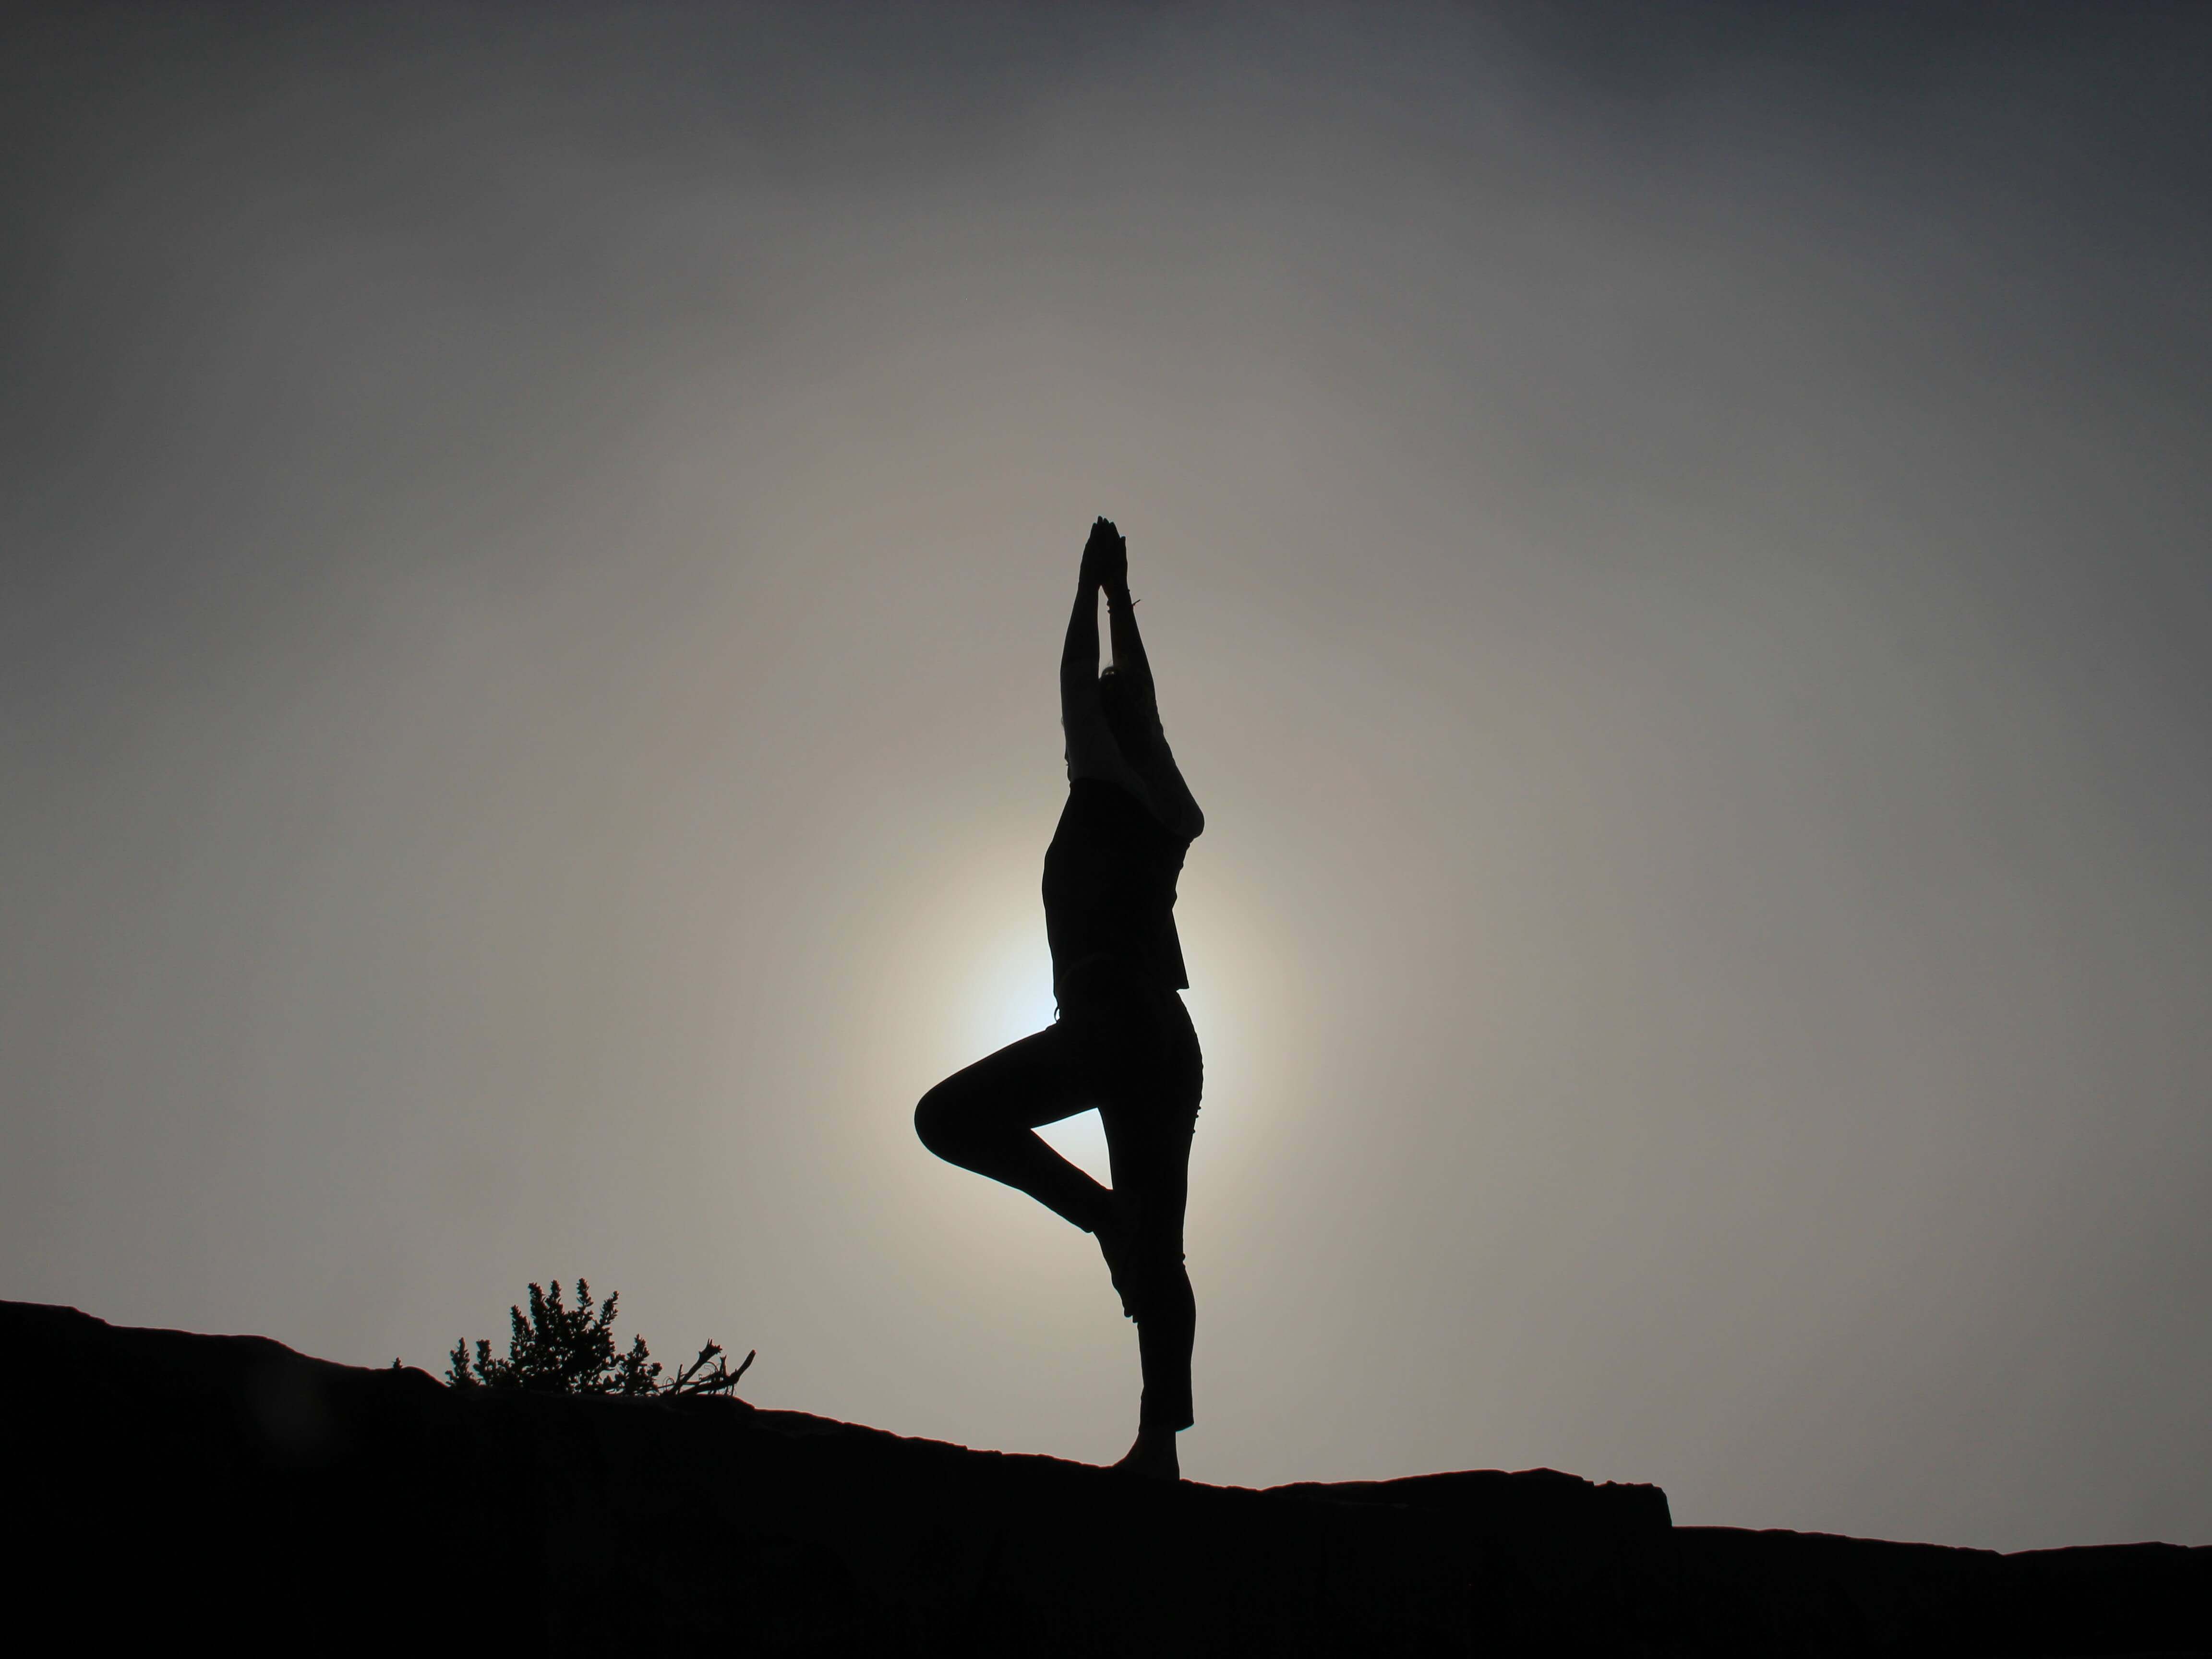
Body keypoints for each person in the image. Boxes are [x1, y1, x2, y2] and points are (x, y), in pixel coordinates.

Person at [914, 516, 1206, 1480]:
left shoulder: (1106, 781)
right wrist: (1124, 598)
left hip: (1112, 1014)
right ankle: (1160, 1445)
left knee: (948, 1118)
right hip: (1170, 1034)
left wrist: (1091, 591)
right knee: (1164, 1246)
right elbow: (1142, 702)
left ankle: (1101, 1219)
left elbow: (1086, 687)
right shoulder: (1168, 806)